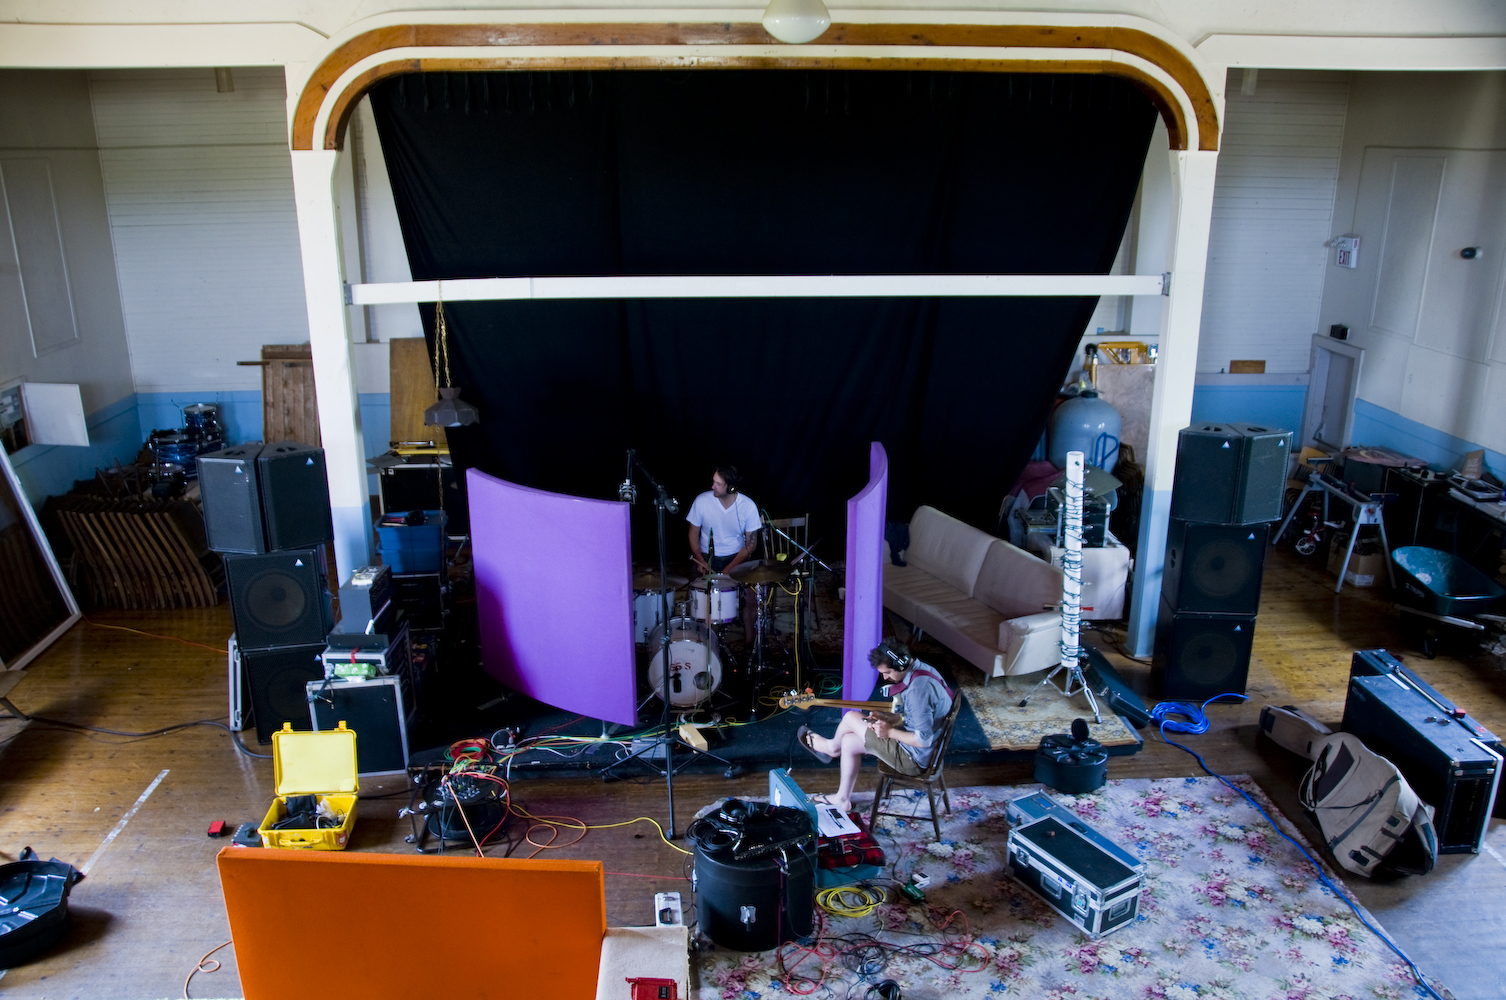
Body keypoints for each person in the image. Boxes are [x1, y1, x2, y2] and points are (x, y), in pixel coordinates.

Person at [796, 640, 955, 815]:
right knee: (848, 741)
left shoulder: (918, 691)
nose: (885, 678)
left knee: (850, 717)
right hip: (927, 751)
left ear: (900, 664)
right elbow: (914, 717)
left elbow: (923, 740)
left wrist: (890, 731)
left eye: (887, 672)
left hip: (914, 759)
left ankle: (832, 748)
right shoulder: (922, 669)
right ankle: (842, 799)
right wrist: (887, 717)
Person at [686, 465, 762, 637]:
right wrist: (699, 558)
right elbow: (693, 532)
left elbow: (750, 545)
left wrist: (729, 570)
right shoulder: (702, 501)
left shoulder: (748, 506)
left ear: (731, 487)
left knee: (750, 598)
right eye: (713, 482)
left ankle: (750, 640)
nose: (712, 486)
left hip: (737, 557)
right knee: (694, 593)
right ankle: (698, 637)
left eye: (718, 484)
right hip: (706, 556)